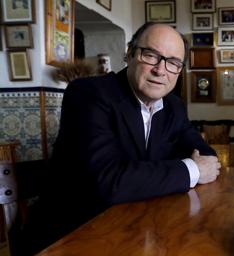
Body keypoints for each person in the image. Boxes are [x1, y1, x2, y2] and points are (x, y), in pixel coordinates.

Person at [48, 23, 221, 237]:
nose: (160, 70)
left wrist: (146, 176)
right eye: (150, 55)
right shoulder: (89, 94)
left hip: (141, 226)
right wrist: (190, 170)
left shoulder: (173, 106)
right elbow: (110, 182)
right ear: (129, 54)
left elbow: (207, 158)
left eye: (173, 63)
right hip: (77, 234)